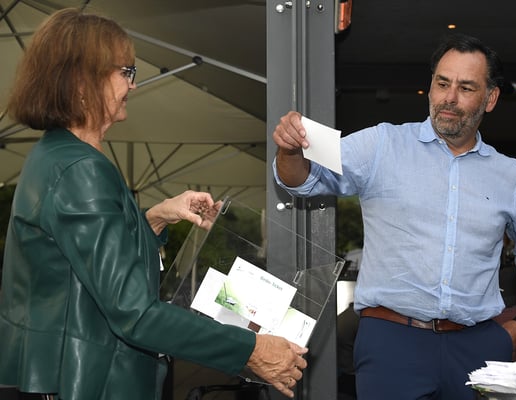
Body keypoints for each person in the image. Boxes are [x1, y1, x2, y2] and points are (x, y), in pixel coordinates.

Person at [0, 9, 306, 400]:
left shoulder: (58, 156)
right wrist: (252, 349)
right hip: (92, 383)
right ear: (81, 81)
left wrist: (153, 220)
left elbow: (82, 267)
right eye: (125, 72)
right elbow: (135, 313)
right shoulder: (81, 170)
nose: (133, 84)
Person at [272, 33, 516, 399]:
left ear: (490, 98)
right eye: (442, 83)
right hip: (392, 343)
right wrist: (290, 150)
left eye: (466, 88)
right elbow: (303, 181)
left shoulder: (509, 175)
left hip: (478, 346)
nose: (449, 97)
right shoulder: (382, 145)